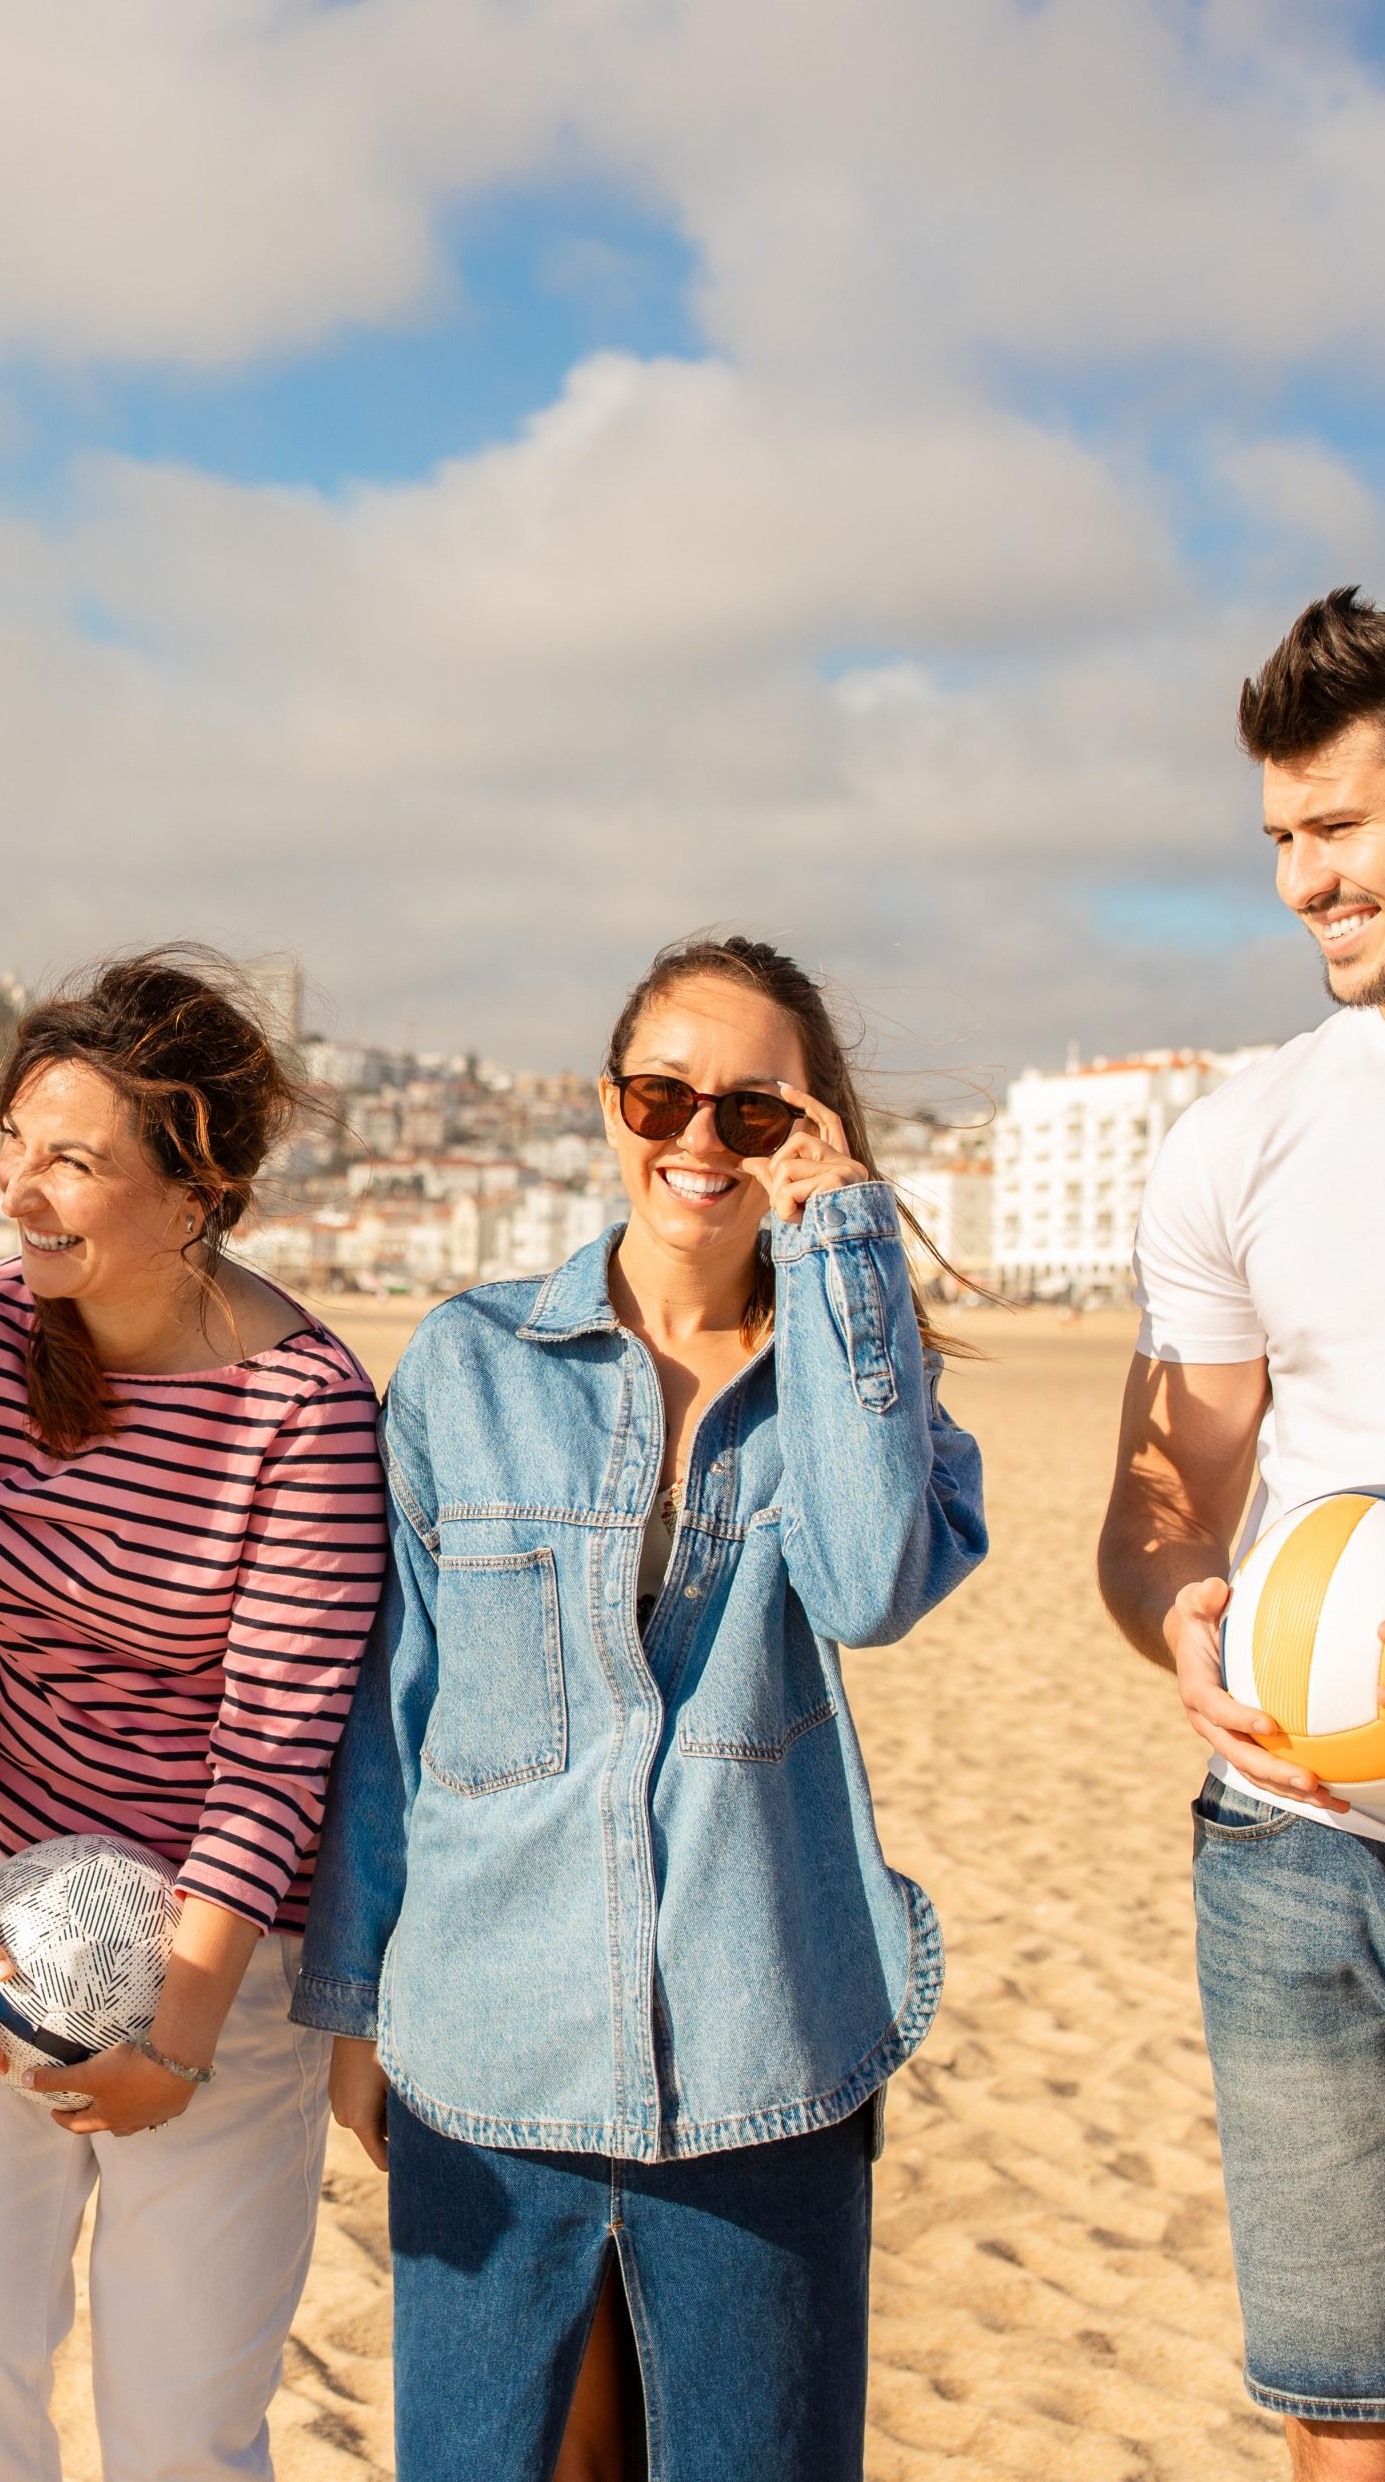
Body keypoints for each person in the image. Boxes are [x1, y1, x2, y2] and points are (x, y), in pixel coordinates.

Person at [301, 934, 988, 2482]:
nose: (699, 1138)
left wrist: (847, 1250)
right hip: (488, 2054)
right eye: (663, 1093)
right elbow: (390, 1713)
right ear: (611, 1106)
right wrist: (355, 2010)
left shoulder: (860, 1383)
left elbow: (875, 1583)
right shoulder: (468, 1366)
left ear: (814, 1137)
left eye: (756, 1112)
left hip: (766, 2063)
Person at [0, 951, 389, 2482]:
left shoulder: (303, 1411)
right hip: (5, 1901)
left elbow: (277, 1754)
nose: (20, 1194)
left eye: (74, 1163)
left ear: (195, 1190)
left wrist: (177, 2037)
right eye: (14, 1148)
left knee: (174, 2421)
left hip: (227, 1958)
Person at [1097, 588, 1385, 2478]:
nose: (1304, 883)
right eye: (1278, 840)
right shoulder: (1240, 1137)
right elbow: (1159, 1493)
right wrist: (1181, 1602)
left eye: (1342, 827)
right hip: (1294, 1839)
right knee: (1337, 2413)